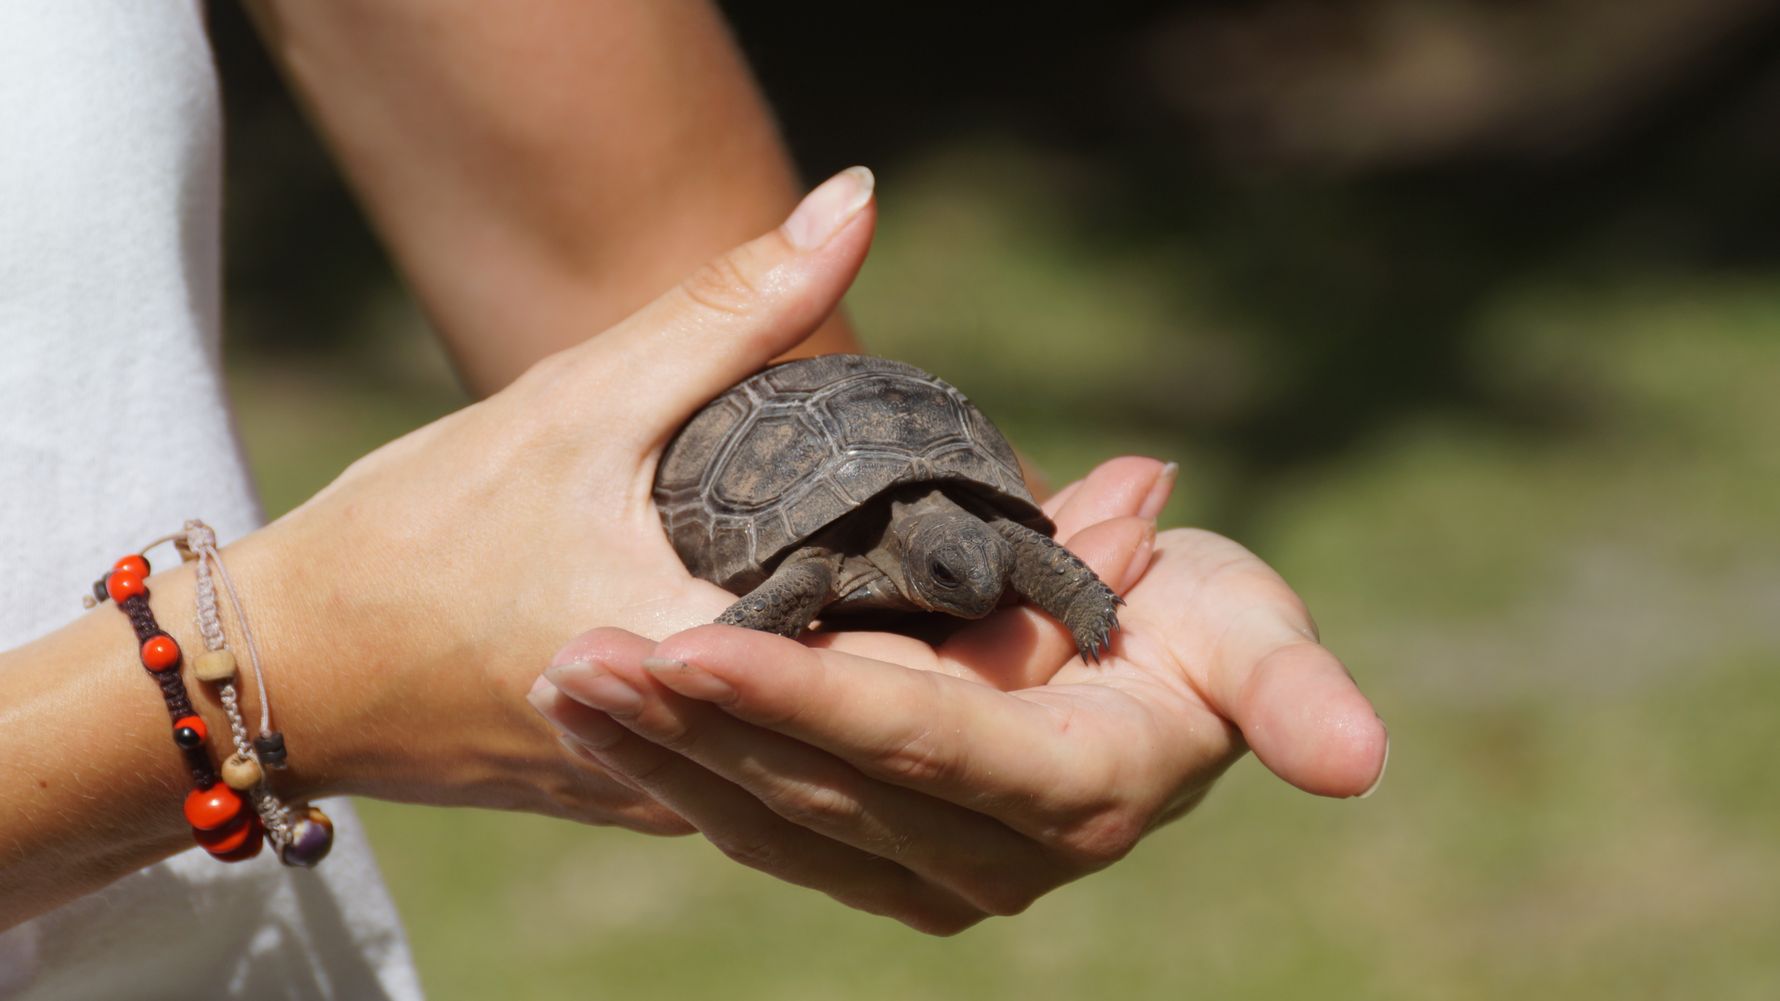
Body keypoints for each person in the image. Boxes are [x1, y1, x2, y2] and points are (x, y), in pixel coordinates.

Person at [0, 2, 1388, 997]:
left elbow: (670, 338)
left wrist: (1088, 604)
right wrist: (300, 657)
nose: (988, 574)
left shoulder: (982, 542)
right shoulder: (834, 568)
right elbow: (794, 571)